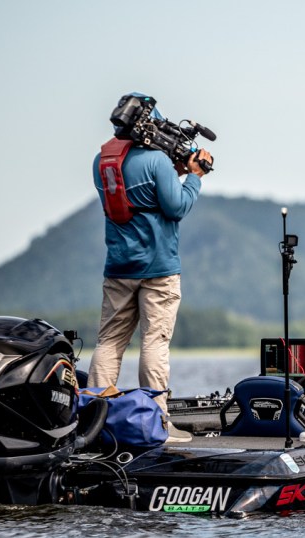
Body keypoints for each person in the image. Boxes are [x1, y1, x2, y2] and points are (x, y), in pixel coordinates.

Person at [88, 93, 213, 443]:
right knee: (154, 342)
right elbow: (176, 207)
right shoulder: (157, 161)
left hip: (118, 267)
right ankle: (157, 423)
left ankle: (94, 420)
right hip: (158, 269)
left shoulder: (102, 161)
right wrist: (194, 176)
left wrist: (174, 173)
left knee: (109, 341)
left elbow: (136, 195)